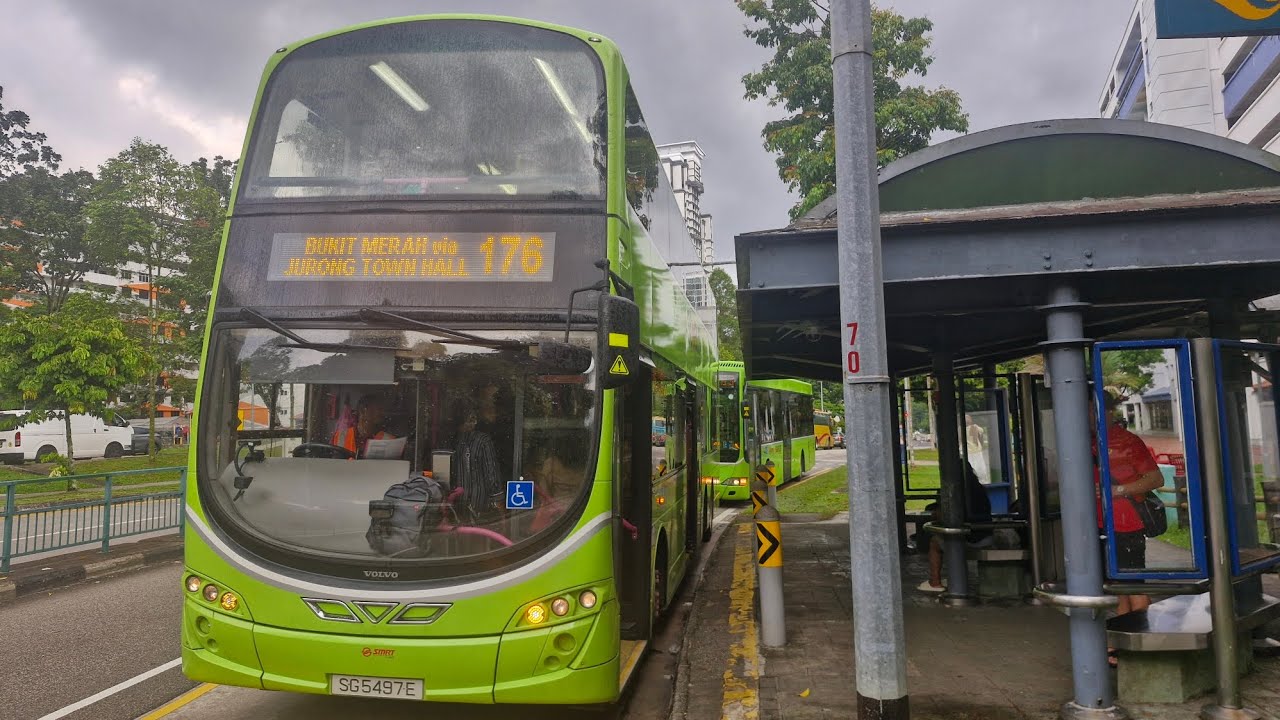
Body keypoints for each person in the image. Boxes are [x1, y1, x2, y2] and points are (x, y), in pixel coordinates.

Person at [1093, 389, 1164, 665]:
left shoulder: (1127, 442)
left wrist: (1118, 490)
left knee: (1133, 586)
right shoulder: (1088, 441)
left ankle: (1143, 645)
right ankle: (1121, 643)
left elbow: (1155, 479)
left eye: (1096, 409)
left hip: (1126, 524)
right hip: (1100, 523)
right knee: (1117, 587)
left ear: (1110, 411)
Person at [918, 461, 993, 593]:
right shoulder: (979, 488)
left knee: (936, 542)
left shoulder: (955, 492)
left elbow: (946, 517)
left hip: (969, 538)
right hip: (986, 535)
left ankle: (935, 582)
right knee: (952, 538)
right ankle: (957, 579)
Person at [452, 400, 501, 523]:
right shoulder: (484, 441)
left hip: (456, 503)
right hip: (478, 503)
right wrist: (498, 501)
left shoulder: (454, 440)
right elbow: (492, 474)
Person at [965, 414, 991, 484]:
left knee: (972, 466)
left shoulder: (961, 429)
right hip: (977, 450)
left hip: (968, 451)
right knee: (980, 467)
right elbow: (981, 431)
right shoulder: (975, 427)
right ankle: (982, 481)